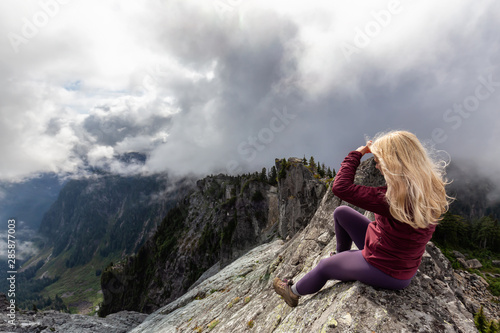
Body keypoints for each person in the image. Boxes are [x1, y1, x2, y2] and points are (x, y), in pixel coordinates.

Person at [273, 130, 451, 307]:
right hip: (391, 252)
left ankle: (292, 292)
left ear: (392, 164)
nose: (376, 166)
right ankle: (343, 259)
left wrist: (357, 153)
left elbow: (340, 187)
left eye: (378, 162)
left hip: (387, 270)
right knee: (341, 213)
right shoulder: (427, 187)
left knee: (325, 266)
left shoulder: (393, 198)